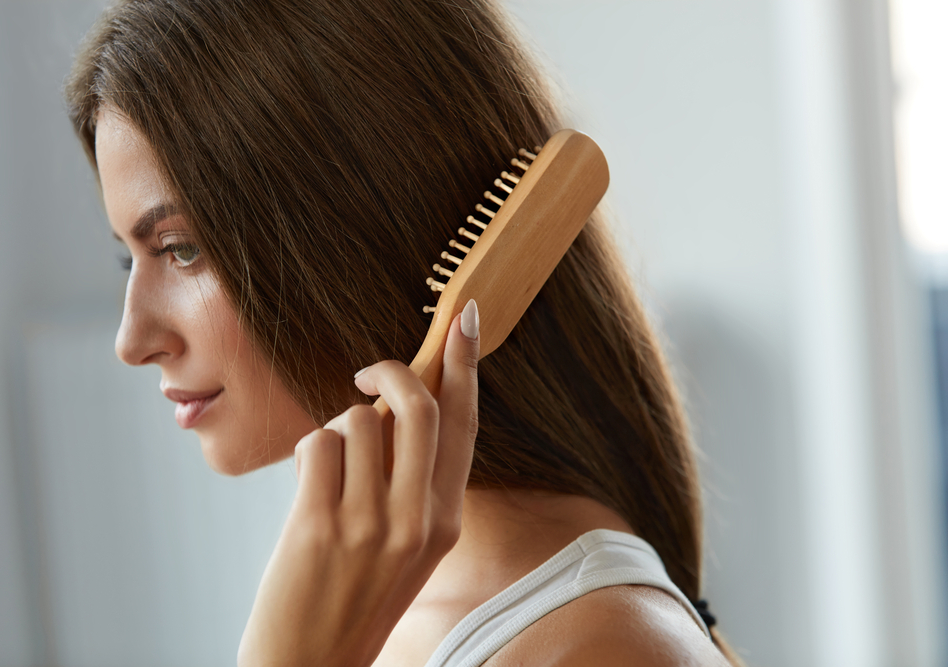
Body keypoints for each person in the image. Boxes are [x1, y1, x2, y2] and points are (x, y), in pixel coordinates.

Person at [66, 1, 741, 665]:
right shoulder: (373, 597)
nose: (133, 339)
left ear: (363, 228)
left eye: (182, 249)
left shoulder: (598, 648)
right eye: (131, 256)